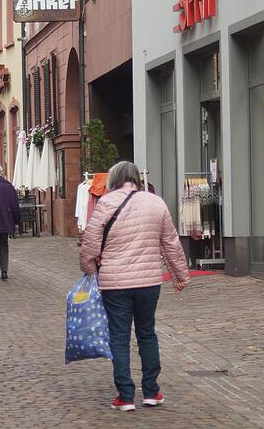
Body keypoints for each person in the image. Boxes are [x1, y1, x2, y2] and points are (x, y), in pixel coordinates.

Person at [79, 161, 189, 412]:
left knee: (119, 337)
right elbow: (171, 242)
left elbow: (91, 244)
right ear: (137, 179)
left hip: (114, 282)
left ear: (113, 179)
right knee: (147, 333)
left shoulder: (106, 203)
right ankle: (152, 391)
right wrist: (180, 276)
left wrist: (88, 270)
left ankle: (125, 396)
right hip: (149, 281)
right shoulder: (156, 202)